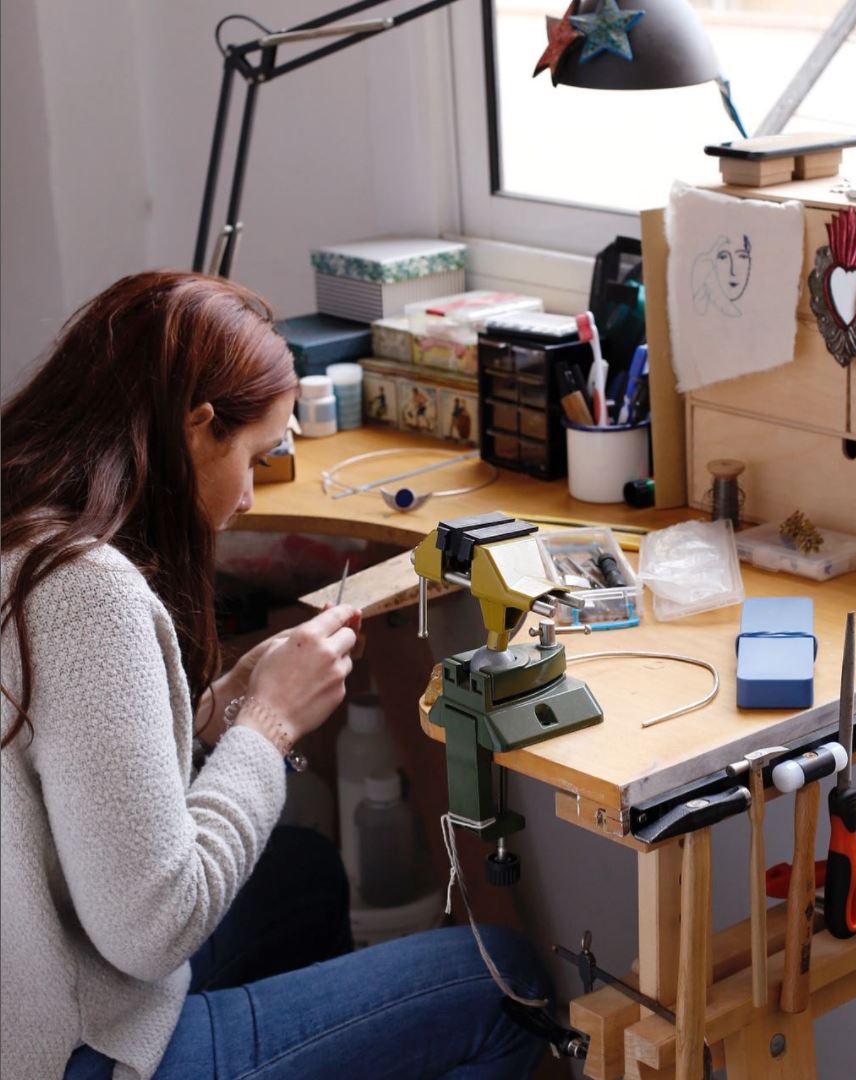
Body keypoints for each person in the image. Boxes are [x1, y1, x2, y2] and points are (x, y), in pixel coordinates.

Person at [0, 271, 551, 1080]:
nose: (254, 496)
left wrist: (214, 717)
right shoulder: (84, 589)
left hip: (38, 978)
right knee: (508, 984)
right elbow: (151, 927)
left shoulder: (22, 524)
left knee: (300, 873)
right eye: (257, 455)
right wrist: (268, 728)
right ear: (196, 430)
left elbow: (71, 789)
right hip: (69, 1051)